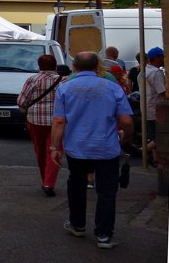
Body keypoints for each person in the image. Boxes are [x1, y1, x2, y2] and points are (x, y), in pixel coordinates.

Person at [50, 52, 133, 249]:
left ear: (74, 66)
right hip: (106, 147)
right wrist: (125, 136)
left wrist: (54, 147)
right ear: (98, 66)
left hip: (77, 147)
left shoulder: (65, 88)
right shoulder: (112, 87)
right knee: (106, 191)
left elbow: (59, 121)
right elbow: (127, 120)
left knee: (77, 185)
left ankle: (77, 225)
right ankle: (104, 235)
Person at [18, 54, 64, 196]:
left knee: (40, 151)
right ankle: (49, 183)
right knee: (54, 149)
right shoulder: (63, 81)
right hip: (57, 121)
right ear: (55, 65)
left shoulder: (32, 79)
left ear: (39, 66)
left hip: (35, 120)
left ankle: (44, 179)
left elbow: (21, 101)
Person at [141, 47, 165, 161]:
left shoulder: (143, 71)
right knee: (159, 137)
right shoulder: (156, 73)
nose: (164, 59)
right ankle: (142, 151)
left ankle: (155, 160)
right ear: (156, 58)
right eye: (162, 56)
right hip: (156, 109)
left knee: (153, 136)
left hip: (146, 108)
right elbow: (162, 91)